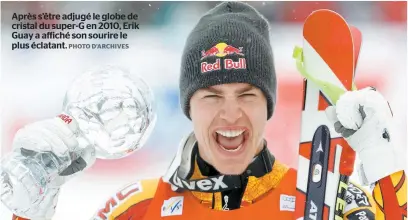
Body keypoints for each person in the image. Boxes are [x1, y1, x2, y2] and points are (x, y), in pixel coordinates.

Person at [12, 2, 406, 220]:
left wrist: (384, 162)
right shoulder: (139, 209)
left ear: (269, 106)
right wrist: (29, 213)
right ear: (188, 107)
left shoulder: (326, 202)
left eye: (247, 94)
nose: (230, 114)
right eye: (211, 96)